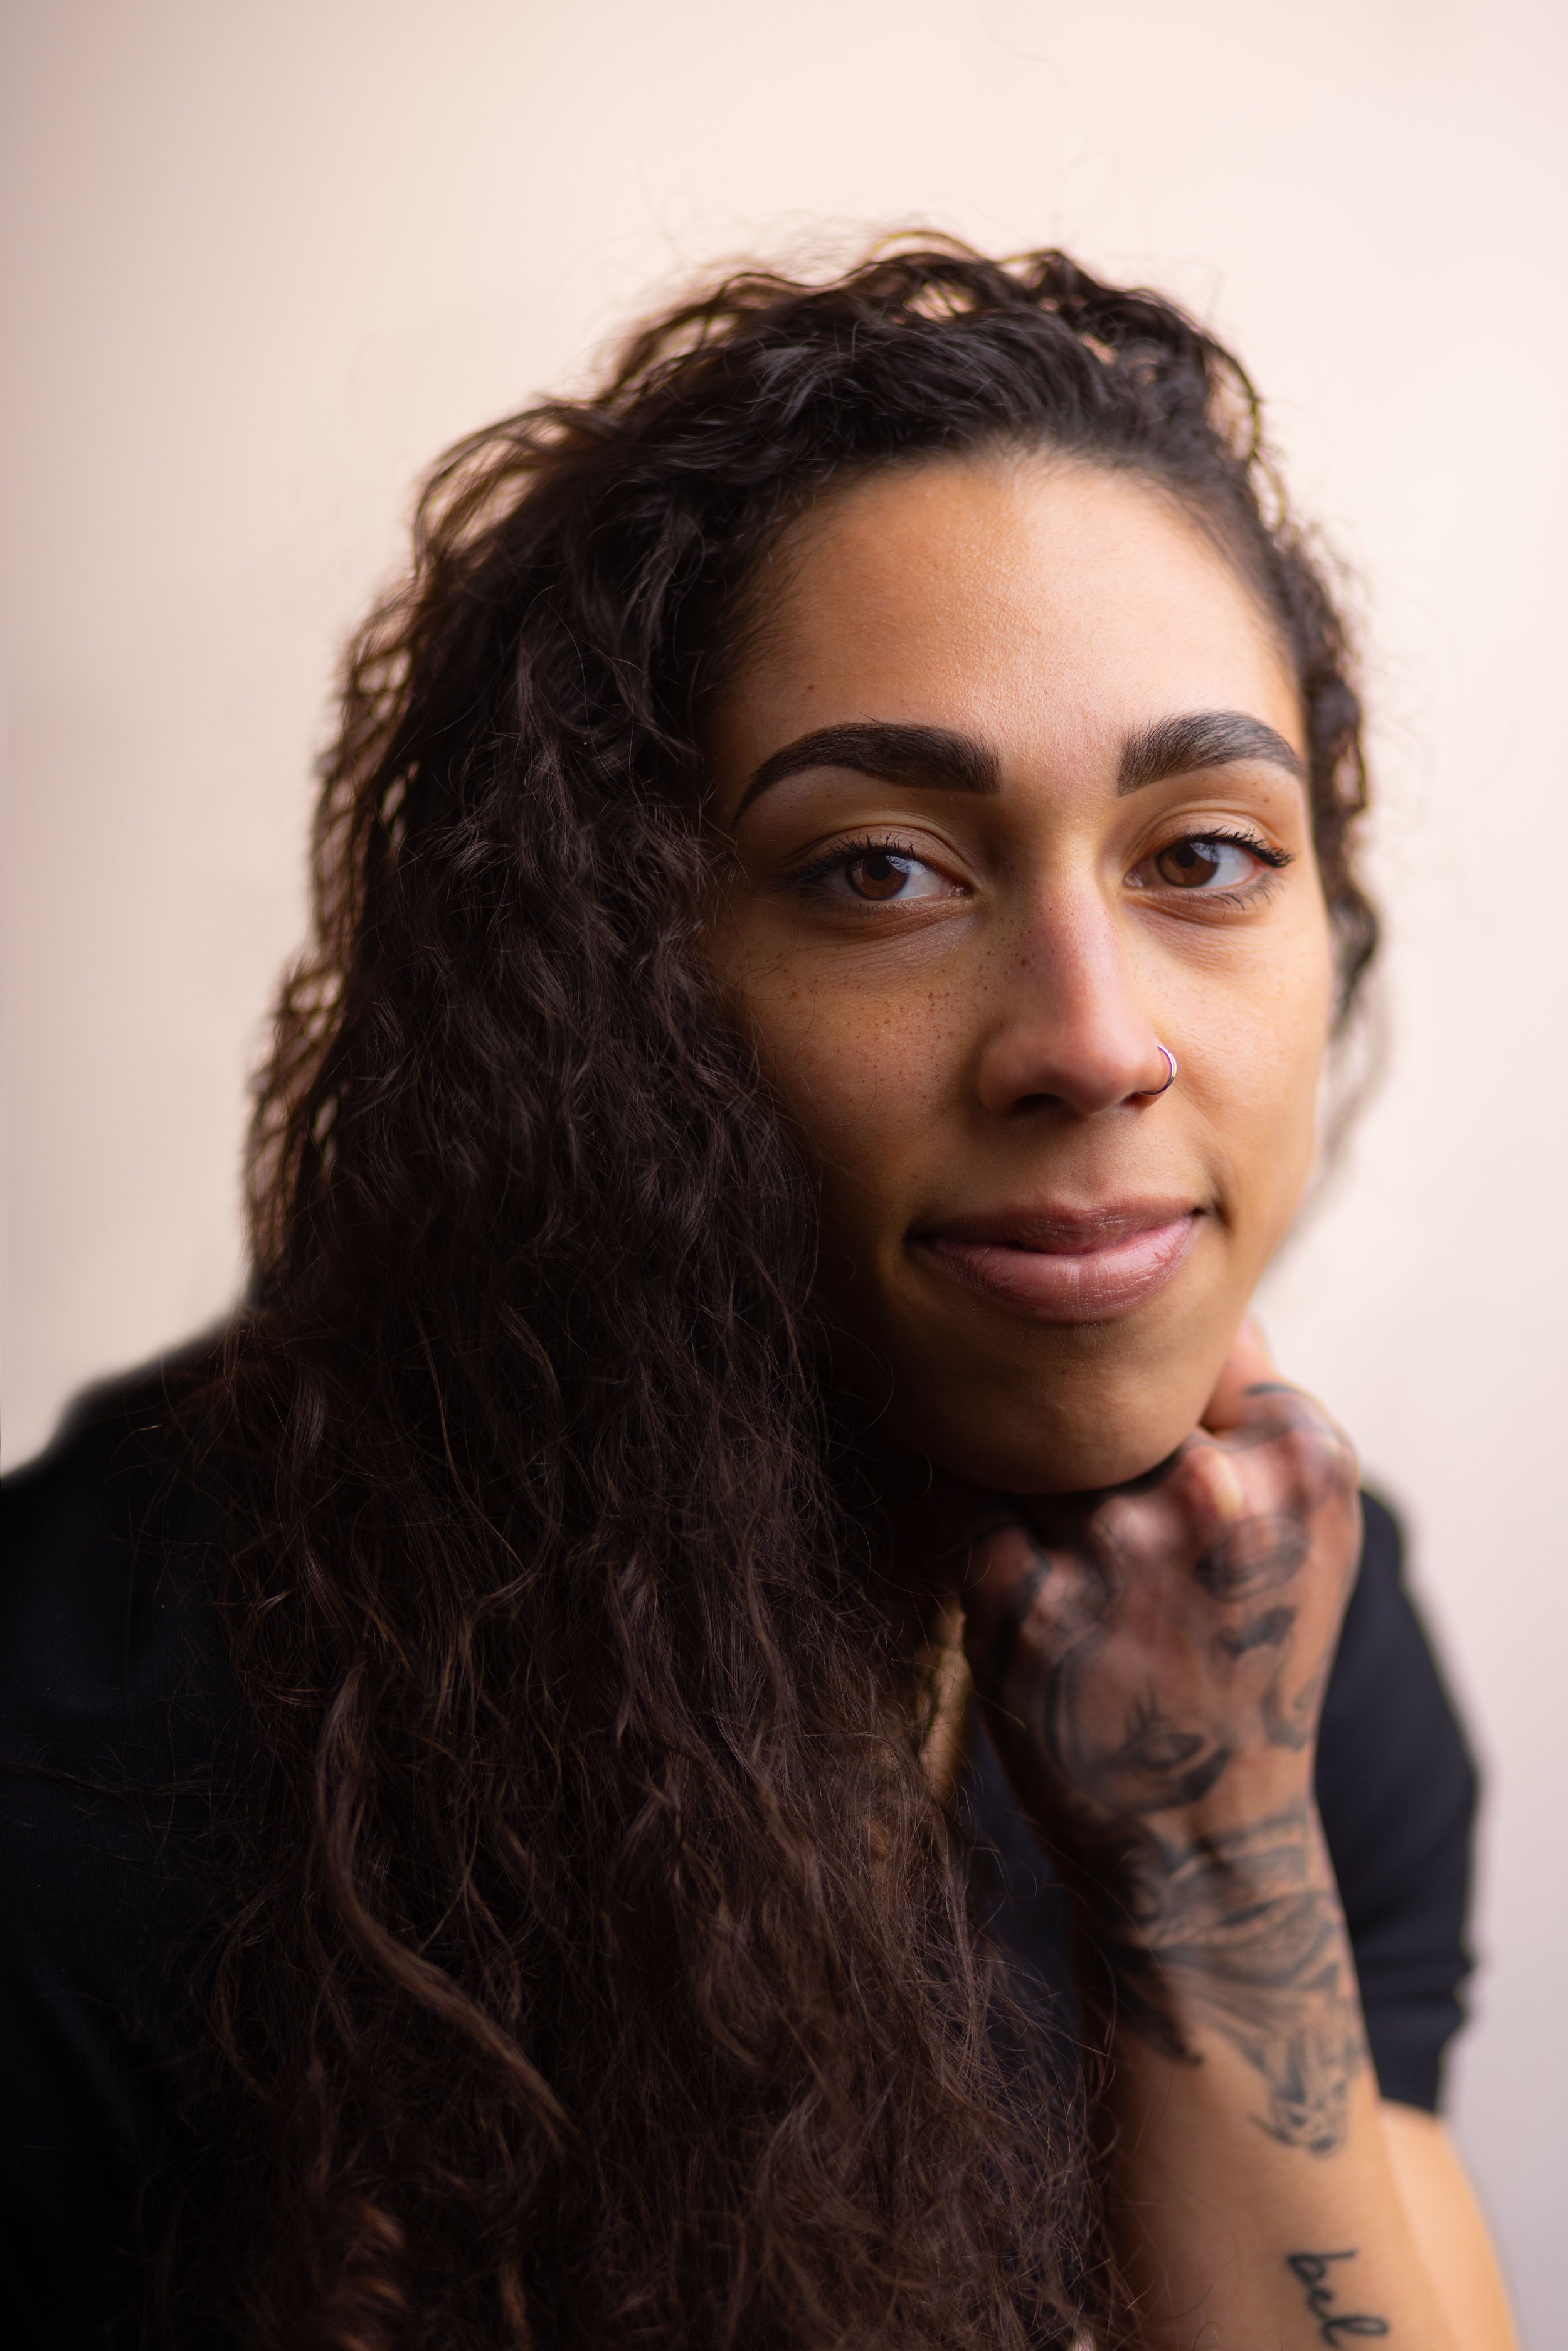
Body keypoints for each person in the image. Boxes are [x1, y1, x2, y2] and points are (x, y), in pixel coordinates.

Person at [1, 240, 1516, 2348]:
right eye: (878, 867)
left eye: (1202, 855)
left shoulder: (1262, 1630)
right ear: (611, 983)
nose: (1091, 1040)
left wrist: (1203, 1848)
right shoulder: (93, 1749)